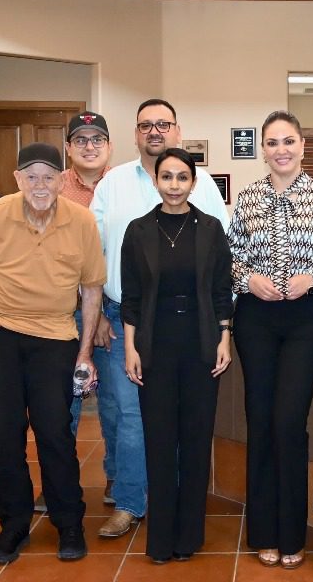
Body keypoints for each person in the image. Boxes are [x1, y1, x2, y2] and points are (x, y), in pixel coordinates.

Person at [0, 142, 105, 565]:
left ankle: (68, 523)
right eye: (31, 177)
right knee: (4, 434)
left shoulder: (82, 221)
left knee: (55, 433)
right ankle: (13, 525)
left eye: (48, 177)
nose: (40, 185)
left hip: (55, 337)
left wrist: (85, 352)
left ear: (61, 180)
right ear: (17, 179)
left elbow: (91, 289)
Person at [89, 98, 228, 539]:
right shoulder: (112, 184)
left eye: (163, 124)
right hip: (126, 319)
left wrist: (222, 331)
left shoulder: (206, 191)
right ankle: (131, 504)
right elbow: (91, 253)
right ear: (135, 133)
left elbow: (220, 266)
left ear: (176, 131)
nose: (154, 131)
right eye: (146, 124)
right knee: (132, 418)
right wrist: (98, 314)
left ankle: (181, 516)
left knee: (184, 424)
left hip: (194, 327)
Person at [228, 111, 313, 569]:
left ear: (302, 145)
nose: (281, 150)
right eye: (273, 142)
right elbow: (230, 258)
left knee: (289, 419)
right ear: (263, 149)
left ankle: (292, 532)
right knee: (260, 417)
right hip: (256, 318)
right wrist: (248, 279)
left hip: (308, 319)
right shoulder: (248, 198)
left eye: (289, 141)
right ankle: (263, 531)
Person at [120, 148, 233, 563]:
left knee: (196, 441)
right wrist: (130, 347)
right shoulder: (138, 231)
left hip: (201, 344)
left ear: (193, 182)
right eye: (166, 177)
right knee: (160, 440)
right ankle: (161, 539)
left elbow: (222, 290)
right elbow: (131, 296)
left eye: (182, 177)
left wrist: (224, 338)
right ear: (156, 181)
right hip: (155, 345)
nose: (174, 185)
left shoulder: (211, 229)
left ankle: (189, 537)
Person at [49, 110, 115, 514]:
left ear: (109, 146)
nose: (90, 147)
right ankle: (58, 485)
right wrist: (89, 310)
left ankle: (116, 477)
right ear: (68, 148)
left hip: (114, 316)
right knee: (61, 406)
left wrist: (104, 311)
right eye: (81, 140)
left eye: (97, 139)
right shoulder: (52, 189)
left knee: (115, 404)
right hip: (64, 315)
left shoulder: (124, 185)